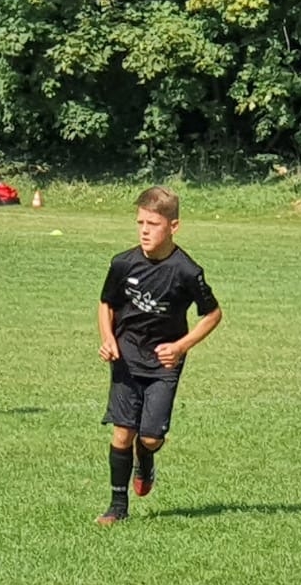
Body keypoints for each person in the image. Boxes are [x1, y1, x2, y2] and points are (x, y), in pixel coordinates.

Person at [93, 186, 223, 525]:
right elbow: (106, 304)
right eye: (140, 223)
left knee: (150, 437)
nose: (144, 231)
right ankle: (117, 507)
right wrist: (108, 339)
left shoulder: (187, 271)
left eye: (153, 224)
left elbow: (213, 314)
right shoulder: (123, 263)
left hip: (165, 362)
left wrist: (180, 347)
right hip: (126, 357)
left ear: (173, 226)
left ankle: (146, 456)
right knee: (122, 432)